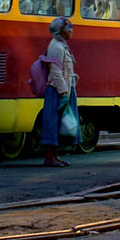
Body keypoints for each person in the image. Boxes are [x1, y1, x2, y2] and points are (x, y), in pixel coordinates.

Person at [41, 16, 79, 167]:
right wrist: (63, 93)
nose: (72, 32)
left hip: (64, 89)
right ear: (61, 31)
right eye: (69, 29)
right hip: (57, 91)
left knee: (60, 125)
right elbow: (55, 72)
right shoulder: (56, 47)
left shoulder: (61, 45)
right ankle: (50, 157)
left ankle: (55, 156)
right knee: (54, 123)